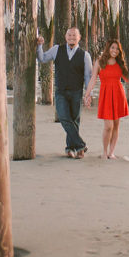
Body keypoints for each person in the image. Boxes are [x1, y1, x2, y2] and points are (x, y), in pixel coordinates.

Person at [36, 27, 92, 159]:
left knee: (74, 120)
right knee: (63, 117)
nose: (71, 37)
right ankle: (80, 144)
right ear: (65, 37)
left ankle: (72, 148)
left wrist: (87, 95)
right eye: (69, 35)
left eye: (74, 35)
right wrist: (39, 45)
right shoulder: (57, 49)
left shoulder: (85, 55)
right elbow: (42, 59)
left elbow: (88, 76)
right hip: (61, 91)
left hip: (76, 91)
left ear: (79, 37)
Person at [84, 39, 129, 159]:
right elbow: (93, 79)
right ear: (108, 48)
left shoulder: (120, 64)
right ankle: (104, 152)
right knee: (108, 126)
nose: (115, 50)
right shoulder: (100, 62)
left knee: (116, 125)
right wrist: (87, 94)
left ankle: (111, 152)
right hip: (106, 95)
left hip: (118, 94)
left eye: (117, 49)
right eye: (112, 48)